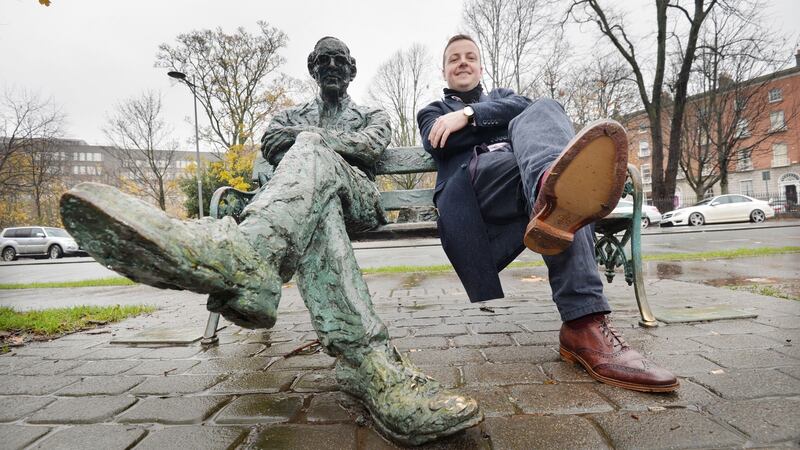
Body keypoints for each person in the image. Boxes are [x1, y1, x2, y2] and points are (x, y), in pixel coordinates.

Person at [60, 37, 482, 446]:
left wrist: (309, 138)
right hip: (310, 209)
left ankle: (244, 260)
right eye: (323, 61)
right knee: (319, 211)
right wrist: (312, 139)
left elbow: (369, 147)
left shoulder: (372, 112)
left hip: (361, 200)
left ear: (352, 70)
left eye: (339, 61)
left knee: (313, 151)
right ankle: (366, 361)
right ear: (312, 69)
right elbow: (269, 144)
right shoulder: (289, 114)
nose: (331, 67)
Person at [417, 34, 678, 393]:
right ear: (445, 72)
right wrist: (484, 119)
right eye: (454, 59)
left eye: (470, 57)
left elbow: (529, 106)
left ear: (481, 67)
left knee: (547, 116)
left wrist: (470, 115)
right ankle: (550, 186)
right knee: (561, 177)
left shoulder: (503, 99)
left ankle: (582, 326)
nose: (462, 62)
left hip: (524, 191)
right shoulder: (432, 110)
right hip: (479, 193)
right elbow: (440, 139)